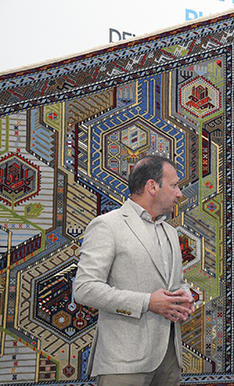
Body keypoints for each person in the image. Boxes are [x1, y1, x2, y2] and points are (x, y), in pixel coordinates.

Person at [73, 155, 195, 386]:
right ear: (152, 186)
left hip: (169, 360)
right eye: (174, 185)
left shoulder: (170, 232)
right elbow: (84, 289)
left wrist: (184, 296)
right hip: (124, 363)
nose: (179, 194)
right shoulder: (107, 225)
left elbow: (176, 282)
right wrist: (147, 302)